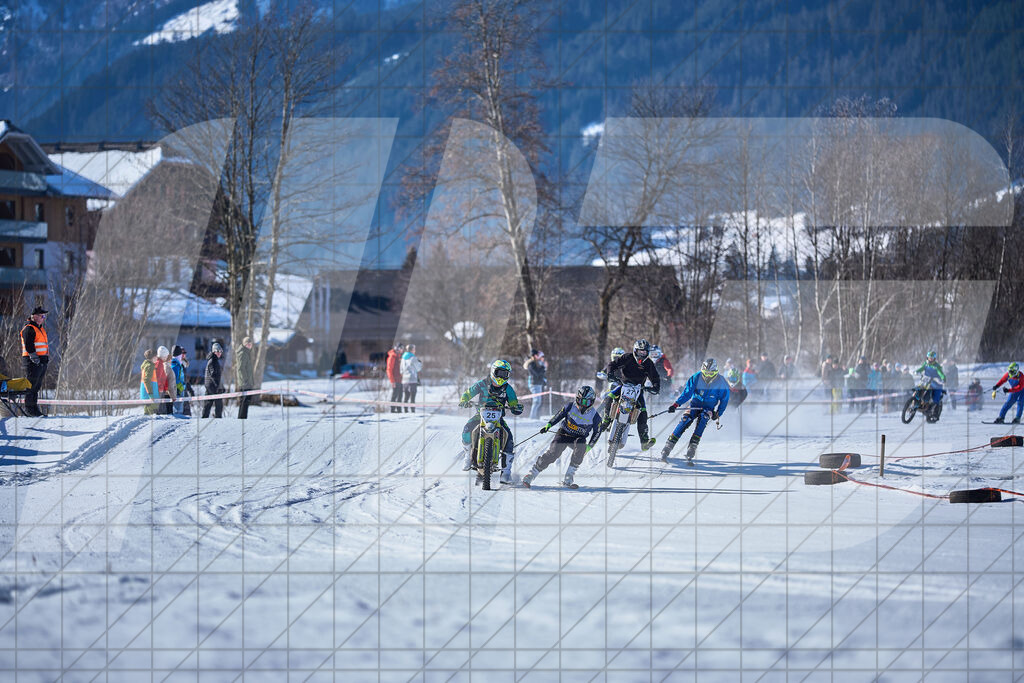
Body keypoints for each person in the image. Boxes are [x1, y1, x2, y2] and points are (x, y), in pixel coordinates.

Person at [521, 385, 603, 489]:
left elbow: (597, 432)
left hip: (578, 438)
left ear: (592, 402)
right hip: (564, 434)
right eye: (582, 401)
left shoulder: (595, 416)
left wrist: (590, 446)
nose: (584, 405)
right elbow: (558, 415)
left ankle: (569, 476)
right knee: (553, 453)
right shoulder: (570, 406)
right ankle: (531, 475)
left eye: (587, 402)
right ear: (577, 399)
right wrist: (549, 425)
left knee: (581, 446)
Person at [459, 359, 524, 484]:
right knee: (467, 430)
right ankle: (467, 456)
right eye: (499, 373)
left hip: (498, 418)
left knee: (509, 439)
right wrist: (464, 400)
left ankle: (506, 473)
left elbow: (513, 402)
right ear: (493, 371)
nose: (501, 377)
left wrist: (516, 407)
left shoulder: (508, 389)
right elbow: (468, 393)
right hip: (480, 415)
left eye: (505, 374)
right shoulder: (482, 383)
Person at [661, 358, 731, 464]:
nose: (707, 375)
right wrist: (676, 404)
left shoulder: (721, 382)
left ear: (715, 372)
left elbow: (724, 400)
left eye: (710, 373)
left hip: (708, 408)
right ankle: (668, 446)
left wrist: (718, 413)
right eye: (706, 372)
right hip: (695, 405)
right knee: (685, 420)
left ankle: (692, 447)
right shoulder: (696, 377)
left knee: (703, 420)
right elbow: (687, 393)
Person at [602, 339, 661, 451]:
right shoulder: (627, 357)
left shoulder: (648, 363)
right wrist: (610, 373)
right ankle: (606, 419)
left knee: (643, 412)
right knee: (609, 397)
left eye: (644, 352)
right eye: (640, 351)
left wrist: (656, 387)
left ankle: (644, 442)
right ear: (635, 350)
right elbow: (613, 364)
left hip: (638, 389)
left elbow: (655, 377)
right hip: (623, 385)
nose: (642, 354)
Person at [20, 306, 49, 417]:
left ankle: (34, 409)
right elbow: (28, 345)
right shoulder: (29, 328)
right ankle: (30, 409)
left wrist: (44, 359)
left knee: (36, 386)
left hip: (41, 361)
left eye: (44, 316)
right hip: (32, 361)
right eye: (42, 316)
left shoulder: (40, 328)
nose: (43, 318)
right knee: (31, 385)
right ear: (35, 317)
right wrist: (34, 357)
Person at [201, 342, 225, 418]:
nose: (219, 353)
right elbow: (214, 375)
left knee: (208, 405)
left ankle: (205, 419)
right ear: (214, 351)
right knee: (218, 405)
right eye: (218, 351)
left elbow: (217, 376)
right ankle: (218, 419)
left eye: (221, 351)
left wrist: (221, 386)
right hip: (212, 386)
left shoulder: (214, 360)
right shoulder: (213, 361)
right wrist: (218, 387)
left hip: (211, 386)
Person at [524, 349, 548, 419]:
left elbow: (540, 373)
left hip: (538, 384)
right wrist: (543, 367)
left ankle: (535, 417)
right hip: (534, 384)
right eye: (538, 355)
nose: (539, 357)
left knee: (538, 402)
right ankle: (532, 417)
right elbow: (537, 373)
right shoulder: (531, 364)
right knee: (536, 402)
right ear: (535, 355)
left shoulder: (536, 363)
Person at [235, 337, 255, 419]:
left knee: (245, 401)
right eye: (248, 344)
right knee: (245, 401)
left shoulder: (246, 353)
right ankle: (242, 418)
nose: (250, 345)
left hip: (247, 382)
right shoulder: (243, 353)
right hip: (245, 383)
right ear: (244, 344)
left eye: (250, 344)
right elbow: (240, 368)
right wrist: (245, 380)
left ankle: (242, 417)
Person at [400, 344, 423, 413]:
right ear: (412, 350)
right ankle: (413, 412)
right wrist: (420, 363)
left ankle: (405, 411)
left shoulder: (403, 358)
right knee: (412, 397)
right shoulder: (413, 358)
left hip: (404, 380)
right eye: (414, 349)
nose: (415, 351)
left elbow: (401, 370)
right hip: (412, 379)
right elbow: (418, 368)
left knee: (406, 396)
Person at [140, 349, 158, 415]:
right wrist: (150, 394)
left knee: (147, 415)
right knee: (153, 414)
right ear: (153, 357)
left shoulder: (147, 365)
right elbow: (146, 380)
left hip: (147, 393)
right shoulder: (150, 366)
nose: (157, 358)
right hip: (149, 395)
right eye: (156, 357)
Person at [154, 345, 171, 415]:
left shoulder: (158, 363)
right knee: (161, 410)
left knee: (162, 409)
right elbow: (158, 378)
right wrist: (161, 388)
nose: (167, 357)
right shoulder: (160, 364)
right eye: (166, 356)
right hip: (159, 390)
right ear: (163, 356)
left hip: (160, 389)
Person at [169, 346, 186, 415]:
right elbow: (175, 379)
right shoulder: (175, 364)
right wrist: (180, 387)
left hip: (179, 389)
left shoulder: (177, 363)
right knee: (178, 410)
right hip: (178, 390)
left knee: (179, 409)